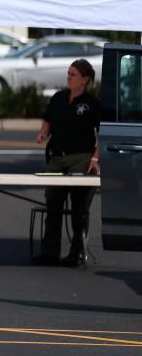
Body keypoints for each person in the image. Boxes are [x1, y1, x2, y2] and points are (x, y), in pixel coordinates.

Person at [32, 59, 101, 267]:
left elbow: (103, 133)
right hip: (57, 157)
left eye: (73, 74)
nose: (68, 77)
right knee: (53, 203)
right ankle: (50, 252)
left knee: (79, 207)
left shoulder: (92, 103)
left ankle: (77, 252)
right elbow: (48, 119)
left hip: (81, 157)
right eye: (68, 73)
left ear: (85, 79)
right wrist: (44, 131)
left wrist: (96, 158)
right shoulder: (59, 98)